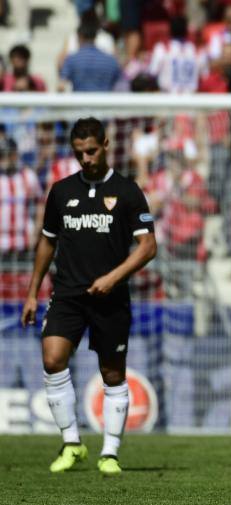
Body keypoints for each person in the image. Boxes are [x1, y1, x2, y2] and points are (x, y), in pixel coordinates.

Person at [20, 118, 157, 475]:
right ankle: (71, 443)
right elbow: (47, 241)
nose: (85, 159)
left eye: (91, 151)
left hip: (110, 298)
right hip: (67, 294)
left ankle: (109, 453)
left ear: (106, 144)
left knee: (112, 374)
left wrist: (113, 278)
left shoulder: (127, 191)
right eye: (79, 153)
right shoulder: (62, 191)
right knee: (52, 360)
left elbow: (148, 246)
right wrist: (33, 292)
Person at [59, 15, 122, 92]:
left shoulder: (72, 59)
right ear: (95, 37)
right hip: (105, 102)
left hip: (80, 102)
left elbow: (61, 85)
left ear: (80, 37)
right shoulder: (111, 60)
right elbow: (120, 83)